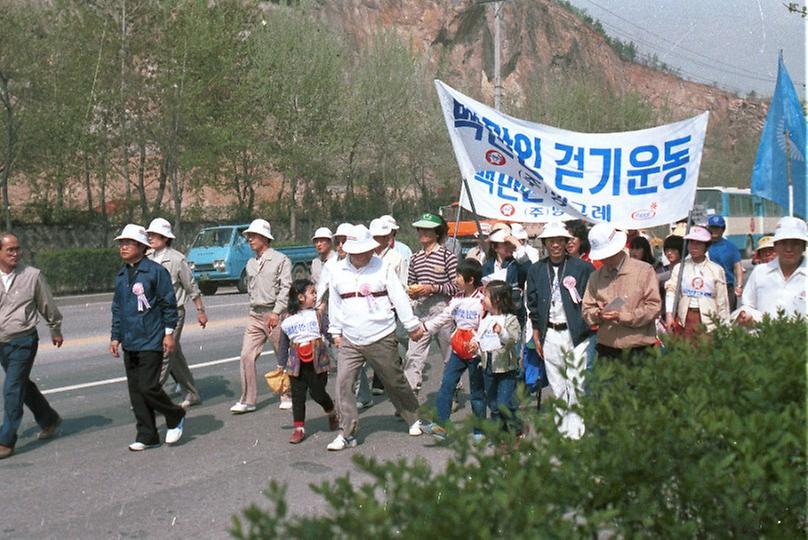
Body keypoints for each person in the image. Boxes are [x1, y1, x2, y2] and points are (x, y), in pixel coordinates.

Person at [326, 225, 425, 451]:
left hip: (380, 334)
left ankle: (413, 417)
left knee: (394, 380)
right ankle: (347, 433)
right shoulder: (338, 271)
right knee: (343, 383)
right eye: (357, 250)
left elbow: (399, 297)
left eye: (366, 250)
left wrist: (411, 325)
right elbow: (336, 302)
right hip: (351, 337)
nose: (362, 255)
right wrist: (335, 331)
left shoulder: (383, 268)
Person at [110, 224, 185, 451]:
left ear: (142, 247)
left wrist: (169, 333)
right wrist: (115, 337)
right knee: (135, 391)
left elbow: (168, 304)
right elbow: (118, 308)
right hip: (130, 340)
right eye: (121, 243)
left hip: (151, 338)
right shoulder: (122, 274)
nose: (123, 247)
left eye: (128, 243)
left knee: (147, 386)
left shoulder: (155, 272)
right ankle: (147, 434)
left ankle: (175, 414)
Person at [526, 221, 595, 439]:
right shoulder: (536, 269)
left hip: (578, 334)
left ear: (567, 243)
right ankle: (563, 427)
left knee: (576, 382)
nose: (556, 245)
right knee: (556, 383)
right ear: (545, 243)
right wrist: (536, 331)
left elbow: (593, 296)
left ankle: (576, 430)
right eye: (551, 241)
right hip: (550, 333)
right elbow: (533, 303)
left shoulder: (582, 268)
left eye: (560, 240)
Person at [0, 232, 64, 460]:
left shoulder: (31, 275)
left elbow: (47, 303)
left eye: (17, 249)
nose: (15, 253)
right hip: (2, 343)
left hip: (24, 340)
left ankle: (6, 440)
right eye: (10, 250)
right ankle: (49, 418)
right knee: (21, 385)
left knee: (12, 388)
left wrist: (55, 328)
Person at [418, 258, 486, 441]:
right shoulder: (456, 300)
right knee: (447, 385)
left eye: (458, 276)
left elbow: (487, 325)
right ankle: (440, 426)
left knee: (477, 392)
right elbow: (443, 318)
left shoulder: (482, 301)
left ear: (470, 280)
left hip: (475, 352)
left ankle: (480, 430)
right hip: (457, 350)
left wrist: (478, 342)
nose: (455, 279)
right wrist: (424, 328)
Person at [230, 219, 292, 414]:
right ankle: (248, 400)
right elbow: (250, 289)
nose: (249, 240)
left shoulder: (281, 260)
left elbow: (286, 288)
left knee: (282, 355)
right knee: (246, 355)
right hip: (255, 314)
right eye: (249, 236)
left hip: (274, 313)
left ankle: (287, 394)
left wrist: (277, 311)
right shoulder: (250, 263)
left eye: (253, 236)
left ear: (265, 238)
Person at [146, 218, 207, 410]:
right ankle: (192, 393)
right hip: (154, 314)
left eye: (154, 235)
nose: (151, 238)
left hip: (174, 312)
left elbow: (191, 286)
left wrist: (200, 310)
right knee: (174, 355)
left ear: (165, 238)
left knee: (165, 353)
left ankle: (151, 394)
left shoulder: (176, 259)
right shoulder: (147, 257)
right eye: (150, 235)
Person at [582, 223, 661, 361]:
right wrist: (598, 315)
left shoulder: (644, 271)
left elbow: (654, 307)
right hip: (606, 348)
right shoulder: (596, 276)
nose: (603, 259)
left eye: (607, 255)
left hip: (638, 348)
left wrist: (623, 316)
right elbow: (586, 309)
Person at [275, 279, 338, 444]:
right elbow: (283, 344)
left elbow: (329, 332)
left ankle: (331, 412)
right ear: (301, 297)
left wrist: (339, 341)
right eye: (312, 293)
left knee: (317, 393)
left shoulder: (318, 315)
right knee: (297, 396)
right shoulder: (287, 319)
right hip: (296, 364)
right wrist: (281, 365)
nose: (315, 296)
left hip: (317, 362)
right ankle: (299, 429)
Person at [404, 213, 459, 394]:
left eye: (427, 229)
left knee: (449, 354)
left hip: (443, 309)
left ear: (437, 233)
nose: (422, 233)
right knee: (413, 354)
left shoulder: (447, 257)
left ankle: (453, 390)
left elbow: (456, 287)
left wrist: (433, 288)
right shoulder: (415, 258)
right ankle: (410, 395)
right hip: (421, 310)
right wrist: (413, 291)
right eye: (420, 229)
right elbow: (411, 283)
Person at [470, 280, 521, 433]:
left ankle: (516, 429)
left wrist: (501, 332)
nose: (482, 299)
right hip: (488, 366)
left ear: (497, 299)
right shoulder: (485, 320)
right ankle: (502, 433)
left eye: (485, 295)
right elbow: (481, 341)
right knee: (493, 404)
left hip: (505, 368)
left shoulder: (510, 319)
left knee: (503, 404)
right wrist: (475, 347)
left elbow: (512, 340)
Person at [738, 217, 807, 323]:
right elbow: (748, 305)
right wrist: (747, 315)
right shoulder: (760, 272)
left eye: (795, 243)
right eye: (783, 243)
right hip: (765, 336)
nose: (789, 249)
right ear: (775, 246)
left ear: (804, 246)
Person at [665, 226, 730, 340]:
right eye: (691, 243)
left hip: (709, 322)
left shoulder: (716, 270)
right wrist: (669, 315)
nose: (694, 247)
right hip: (685, 320)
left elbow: (722, 301)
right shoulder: (680, 268)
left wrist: (724, 326)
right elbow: (671, 291)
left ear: (706, 246)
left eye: (699, 244)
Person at [482, 228, 530, 325]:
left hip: (513, 316)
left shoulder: (517, 265)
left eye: (510, 244)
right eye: (505, 244)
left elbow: (530, 271)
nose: (510, 247)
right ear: (495, 247)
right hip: (491, 316)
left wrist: (518, 246)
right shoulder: (487, 266)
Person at [706, 215, 744, 311]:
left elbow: (738, 267)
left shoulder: (731, 247)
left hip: (727, 287)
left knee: (728, 317)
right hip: (707, 286)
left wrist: (739, 285)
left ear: (722, 229)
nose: (714, 230)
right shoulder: (703, 245)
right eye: (712, 227)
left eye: (717, 228)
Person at [657, 234, 684, 316]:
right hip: (664, 313)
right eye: (667, 249)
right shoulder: (660, 271)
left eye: (673, 249)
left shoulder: (686, 270)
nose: (669, 253)